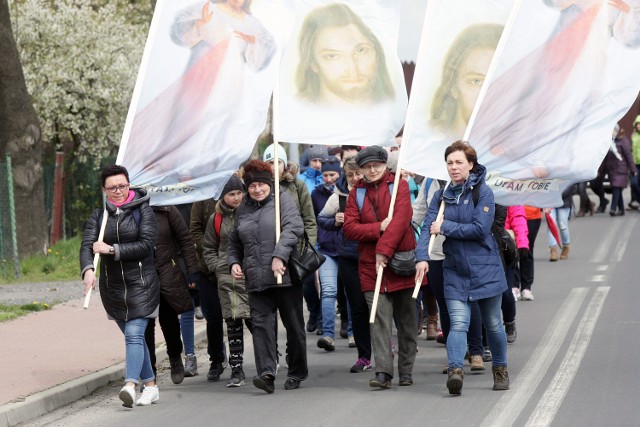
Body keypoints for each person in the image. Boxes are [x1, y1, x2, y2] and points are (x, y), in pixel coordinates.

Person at [415, 141, 509, 395]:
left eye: (458, 162)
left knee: (493, 324)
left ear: (471, 164)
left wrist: (446, 227)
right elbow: (427, 226)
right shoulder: (441, 196)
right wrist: (421, 257)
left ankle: (500, 369)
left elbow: (480, 229)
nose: (453, 167)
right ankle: (456, 371)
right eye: (449, 163)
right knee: (457, 323)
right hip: (454, 268)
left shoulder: (484, 193)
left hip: (485, 267)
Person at [80, 165, 161, 407]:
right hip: (113, 288)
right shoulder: (99, 216)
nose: (118, 191)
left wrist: (112, 249)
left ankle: (129, 385)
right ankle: (151, 385)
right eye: (112, 187)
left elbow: (146, 244)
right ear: (105, 190)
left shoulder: (143, 212)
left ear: (129, 184)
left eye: (122, 186)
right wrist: (88, 270)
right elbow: (87, 246)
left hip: (142, 284)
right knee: (133, 338)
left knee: (135, 334)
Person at [227, 160, 307, 393]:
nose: (257, 189)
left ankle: (296, 372)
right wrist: (233, 262)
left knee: (293, 327)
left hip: (285, 276)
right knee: (262, 328)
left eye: (261, 184)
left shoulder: (283, 199)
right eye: (252, 186)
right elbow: (234, 241)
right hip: (256, 278)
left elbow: (294, 228)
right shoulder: (243, 208)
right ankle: (267, 373)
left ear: (269, 183)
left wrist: (279, 256)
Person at [343, 146, 417, 390]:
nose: (372, 170)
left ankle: (406, 370)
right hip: (370, 267)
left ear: (385, 165)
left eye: (377, 165)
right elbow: (350, 228)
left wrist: (382, 251)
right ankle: (383, 371)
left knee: (406, 321)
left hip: (400, 262)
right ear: (361, 169)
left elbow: (400, 221)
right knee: (378, 321)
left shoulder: (400, 186)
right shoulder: (357, 194)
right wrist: (377, 228)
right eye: (367, 167)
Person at [318, 156, 372, 372]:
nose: (355, 178)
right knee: (357, 307)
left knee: (380, 306)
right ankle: (364, 356)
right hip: (349, 257)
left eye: (358, 173)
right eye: (350, 175)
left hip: (374, 255)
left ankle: (387, 348)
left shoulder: (373, 192)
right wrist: (334, 221)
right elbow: (321, 219)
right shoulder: (338, 197)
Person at [202, 174, 253, 387]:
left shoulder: (252, 212)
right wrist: (218, 268)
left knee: (255, 321)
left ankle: (269, 358)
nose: (237, 197)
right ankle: (237, 368)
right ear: (223, 196)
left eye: (239, 193)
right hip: (226, 278)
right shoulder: (216, 219)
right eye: (231, 194)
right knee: (232, 323)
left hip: (250, 276)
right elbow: (208, 247)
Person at [296, 3, 394, 105]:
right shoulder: (299, 112)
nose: (352, 69)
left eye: (361, 50)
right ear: (313, 63)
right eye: (332, 56)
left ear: (376, 53)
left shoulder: (392, 105)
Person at [144, 205, 199, 385]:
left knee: (169, 321)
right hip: (142, 276)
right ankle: (149, 370)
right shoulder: (130, 211)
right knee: (145, 325)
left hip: (167, 272)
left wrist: (191, 271)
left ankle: (175, 358)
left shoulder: (167, 209)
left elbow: (185, 239)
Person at [431, 24, 503, 138]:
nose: (488, 95)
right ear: (453, 86)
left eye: (501, 84)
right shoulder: (425, 144)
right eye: (476, 81)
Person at [190, 198, 227, 382]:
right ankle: (216, 360)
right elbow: (194, 229)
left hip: (235, 266)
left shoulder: (236, 194)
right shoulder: (202, 200)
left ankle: (267, 355)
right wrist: (209, 244)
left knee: (245, 315)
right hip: (206, 268)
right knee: (213, 316)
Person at [311, 156, 343, 352]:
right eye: (325, 175)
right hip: (326, 249)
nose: (329, 179)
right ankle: (328, 334)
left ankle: (352, 330)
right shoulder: (316, 193)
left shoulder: (349, 192)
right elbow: (316, 219)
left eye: (332, 174)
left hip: (347, 249)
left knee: (349, 294)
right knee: (329, 291)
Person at [604, 124, 637, 216]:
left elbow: (628, 156)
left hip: (621, 169)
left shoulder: (624, 141)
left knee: (615, 188)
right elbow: (606, 158)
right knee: (617, 189)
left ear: (617, 131)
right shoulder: (610, 142)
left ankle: (613, 208)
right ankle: (621, 209)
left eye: (613, 131)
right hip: (612, 170)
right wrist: (602, 170)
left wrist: (633, 170)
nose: (611, 133)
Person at [547, 185, 576, 261]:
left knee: (562, 225)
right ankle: (553, 250)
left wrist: (558, 195)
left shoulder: (567, 172)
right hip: (550, 202)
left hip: (564, 201)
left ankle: (566, 246)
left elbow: (571, 185)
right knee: (551, 224)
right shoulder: (548, 172)